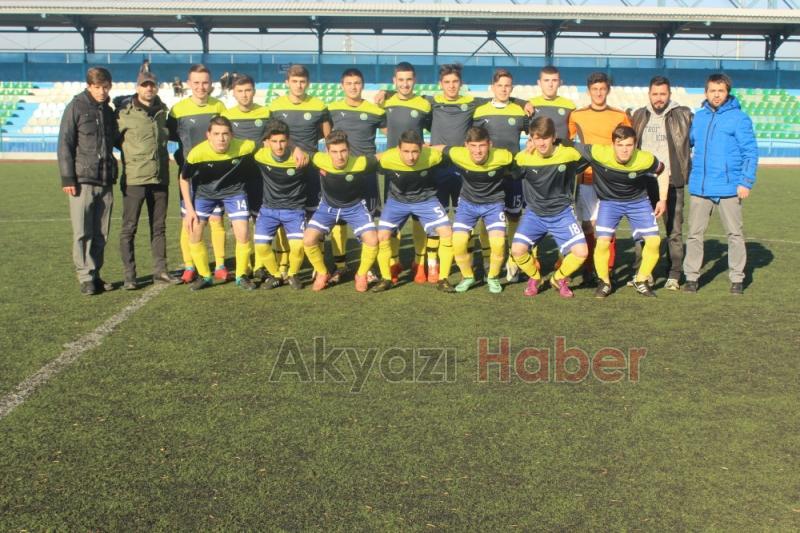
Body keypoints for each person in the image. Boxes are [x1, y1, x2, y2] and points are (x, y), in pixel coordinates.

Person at [683, 73, 758, 295]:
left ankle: (736, 278)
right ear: (706, 93)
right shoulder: (699, 117)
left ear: (727, 92)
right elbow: (689, 144)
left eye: (721, 90)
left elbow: (750, 152)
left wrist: (746, 182)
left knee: (734, 234)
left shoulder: (739, 118)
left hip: (729, 187)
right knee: (694, 234)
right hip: (701, 186)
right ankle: (691, 277)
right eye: (713, 90)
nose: (716, 95)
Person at [577, 126, 665, 298]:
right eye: (620, 145)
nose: (624, 149)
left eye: (629, 145)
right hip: (610, 203)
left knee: (654, 241)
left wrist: (662, 199)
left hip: (638, 202)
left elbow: (663, 171)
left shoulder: (645, 158)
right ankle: (604, 282)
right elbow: (570, 145)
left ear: (635, 145)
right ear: (613, 144)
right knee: (602, 241)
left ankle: (641, 280)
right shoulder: (599, 153)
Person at [511, 117, 589, 298]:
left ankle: (559, 278)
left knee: (581, 252)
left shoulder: (568, 154)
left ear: (553, 137)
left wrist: (565, 142)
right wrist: (523, 153)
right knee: (517, 250)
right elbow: (513, 174)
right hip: (534, 214)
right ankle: (535, 277)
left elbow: (588, 158)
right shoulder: (524, 158)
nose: (541, 143)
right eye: (536, 138)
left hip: (562, 213)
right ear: (531, 139)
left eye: (545, 138)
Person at [431, 126, 514, 294]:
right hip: (468, 204)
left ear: (490, 144)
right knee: (458, 242)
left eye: (482, 145)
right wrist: (423, 147)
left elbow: (520, 160)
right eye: (473, 146)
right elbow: (441, 148)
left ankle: (492, 277)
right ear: (466, 145)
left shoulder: (503, 156)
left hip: (493, 204)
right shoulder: (458, 154)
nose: (478, 151)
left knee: (498, 243)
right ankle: (468, 277)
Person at [57, 66, 118, 295]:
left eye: (105, 87)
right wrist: (67, 178)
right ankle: (85, 278)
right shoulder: (76, 107)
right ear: (89, 86)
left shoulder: (108, 111)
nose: (102, 91)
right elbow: (65, 143)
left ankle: (96, 274)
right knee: (83, 231)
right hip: (82, 180)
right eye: (97, 87)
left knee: (101, 232)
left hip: (105, 179)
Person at [116, 71, 179, 290]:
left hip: (160, 178)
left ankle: (160, 271)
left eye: (152, 85)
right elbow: (115, 140)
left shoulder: (163, 112)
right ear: (137, 88)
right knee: (129, 228)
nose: (148, 89)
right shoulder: (124, 113)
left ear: (157, 87)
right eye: (144, 85)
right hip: (134, 179)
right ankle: (130, 275)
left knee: (159, 227)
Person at [179, 116, 256, 291]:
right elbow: (184, 179)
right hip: (205, 195)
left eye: (225, 134)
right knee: (194, 231)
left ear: (232, 135)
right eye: (216, 134)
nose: (221, 138)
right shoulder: (197, 153)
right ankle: (205, 276)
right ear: (208, 135)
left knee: (243, 232)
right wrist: (190, 209)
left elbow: (269, 144)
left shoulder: (245, 147)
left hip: (234, 193)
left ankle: (241, 276)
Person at [568, 72, 632, 282]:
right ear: (589, 91)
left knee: (606, 226)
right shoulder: (577, 115)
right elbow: (568, 145)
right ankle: (588, 268)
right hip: (586, 179)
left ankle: (606, 268)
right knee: (587, 226)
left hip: (610, 179)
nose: (598, 93)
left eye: (602, 89)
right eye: (594, 89)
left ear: (608, 90)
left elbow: (628, 145)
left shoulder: (619, 115)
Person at [631, 75, 693, 290]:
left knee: (673, 230)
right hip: (643, 182)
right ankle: (643, 272)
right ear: (649, 94)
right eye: (655, 94)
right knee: (642, 230)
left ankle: (674, 274)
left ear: (669, 95)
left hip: (673, 181)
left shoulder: (683, 115)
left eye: (663, 94)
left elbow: (691, 142)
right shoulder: (639, 116)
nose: (659, 98)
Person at [167, 64, 227, 283]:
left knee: (216, 220)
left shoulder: (219, 106)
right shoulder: (177, 110)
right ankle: (189, 265)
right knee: (189, 221)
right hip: (189, 176)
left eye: (205, 82)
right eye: (196, 83)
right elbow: (173, 137)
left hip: (216, 176)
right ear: (189, 84)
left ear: (210, 84)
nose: (201, 87)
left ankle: (220, 264)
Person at [373, 129, 453, 293]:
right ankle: (386, 278)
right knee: (382, 236)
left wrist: (440, 147)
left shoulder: (432, 156)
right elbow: (364, 164)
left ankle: (443, 279)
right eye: (406, 151)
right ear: (398, 149)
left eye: (415, 151)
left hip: (426, 200)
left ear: (422, 149)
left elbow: (454, 153)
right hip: (397, 202)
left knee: (447, 233)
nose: (411, 156)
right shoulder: (387, 158)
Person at [327, 68, 386, 282]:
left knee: (368, 218)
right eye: (349, 83)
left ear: (363, 85)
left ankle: (367, 267)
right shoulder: (332, 109)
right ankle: (340, 266)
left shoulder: (375, 111)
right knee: (338, 219)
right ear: (342, 86)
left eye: (357, 83)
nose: (353, 87)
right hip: (340, 173)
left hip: (366, 173)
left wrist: (387, 93)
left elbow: (393, 131)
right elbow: (327, 138)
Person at [302, 130, 379, 293]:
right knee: (308, 239)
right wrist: (293, 149)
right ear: (327, 152)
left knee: (372, 240)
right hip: (327, 208)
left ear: (349, 150)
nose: (340, 156)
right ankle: (322, 273)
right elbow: (298, 151)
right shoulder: (319, 159)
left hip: (355, 207)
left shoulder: (360, 163)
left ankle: (361, 274)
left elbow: (383, 157)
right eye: (334, 152)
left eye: (343, 151)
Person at [472, 68, 529, 282]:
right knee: (488, 220)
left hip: (513, 174)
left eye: (507, 86)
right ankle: (488, 262)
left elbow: (534, 135)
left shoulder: (519, 111)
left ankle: (513, 263)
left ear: (511, 88)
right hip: (489, 177)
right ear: (492, 87)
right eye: (500, 86)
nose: (504, 89)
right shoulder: (480, 112)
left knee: (514, 216)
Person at [380, 62, 433, 283]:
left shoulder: (424, 104)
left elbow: (434, 129)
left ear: (415, 80)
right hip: (393, 170)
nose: (405, 84)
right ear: (394, 81)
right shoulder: (385, 102)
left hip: (419, 168)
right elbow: (383, 126)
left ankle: (419, 263)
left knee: (420, 219)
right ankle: (393, 262)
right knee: (392, 221)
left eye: (409, 79)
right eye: (400, 80)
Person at [252, 120, 310, 291]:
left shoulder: (301, 158)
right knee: (261, 246)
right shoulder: (260, 155)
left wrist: (297, 148)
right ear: (267, 142)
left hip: (294, 210)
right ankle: (276, 275)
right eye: (274, 141)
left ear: (288, 140)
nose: (279, 146)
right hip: (268, 209)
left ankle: (293, 274)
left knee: (298, 246)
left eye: (282, 141)